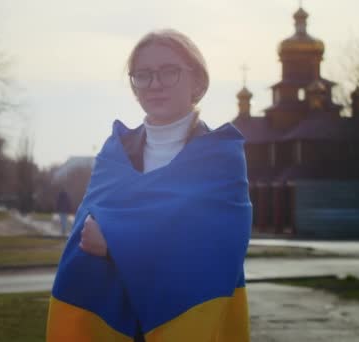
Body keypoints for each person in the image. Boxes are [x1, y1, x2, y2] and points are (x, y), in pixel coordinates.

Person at [47, 29, 252, 342]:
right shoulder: (114, 154)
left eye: (169, 72)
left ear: (197, 81)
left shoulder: (221, 157)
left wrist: (115, 246)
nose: (155, 84)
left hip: (190, 321)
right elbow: (85, 237)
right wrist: (127, 240)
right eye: (143, 75)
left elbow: (215, 245)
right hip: (113, 320)